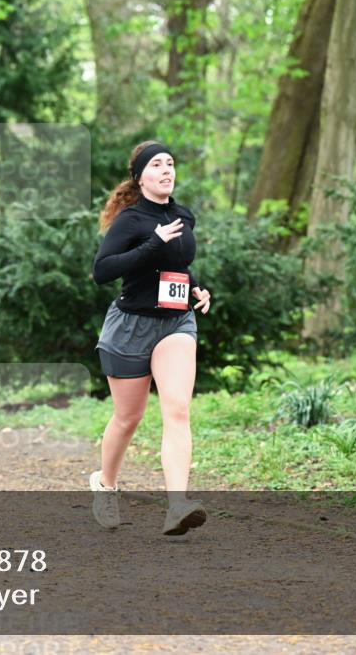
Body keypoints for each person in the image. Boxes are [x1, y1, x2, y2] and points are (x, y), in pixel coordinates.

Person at [90, 141, 212, 535]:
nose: (165, 169)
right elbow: (103, 271)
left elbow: (177, 265)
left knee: (177, 411)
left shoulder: (183, 215)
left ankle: (177, 504)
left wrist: (196, 288)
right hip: (131, 325)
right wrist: (152, 243)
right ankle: (105, 485)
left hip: (176, 323)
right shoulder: (130, 220)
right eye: (156, 164)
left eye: (170, 163)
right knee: (129, 417)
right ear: (140, 176)